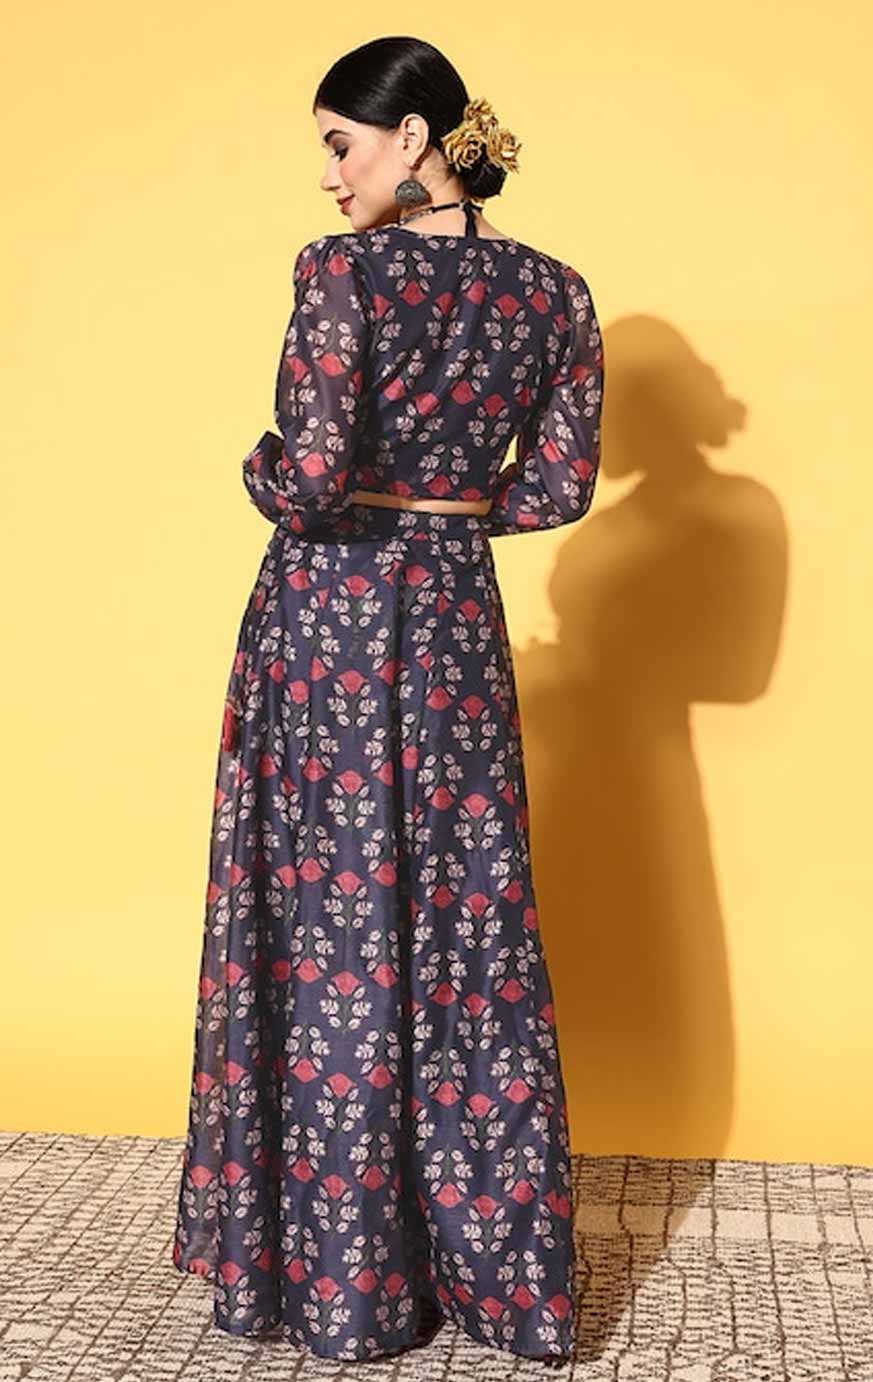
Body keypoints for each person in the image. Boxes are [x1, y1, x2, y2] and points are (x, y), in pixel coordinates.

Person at [170, 35, 604, 1368]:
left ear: (413, 138)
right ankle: (501, 1280)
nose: (328, 176)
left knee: (333, 915)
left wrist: (261, 467)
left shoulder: (342, 273)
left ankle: (344, 1281)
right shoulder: (556, 291)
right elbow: (560, 489)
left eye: (339, 144)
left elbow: (307, 479)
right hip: (457, 616)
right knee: (470, 923)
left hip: (335, 618)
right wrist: (453, 511)